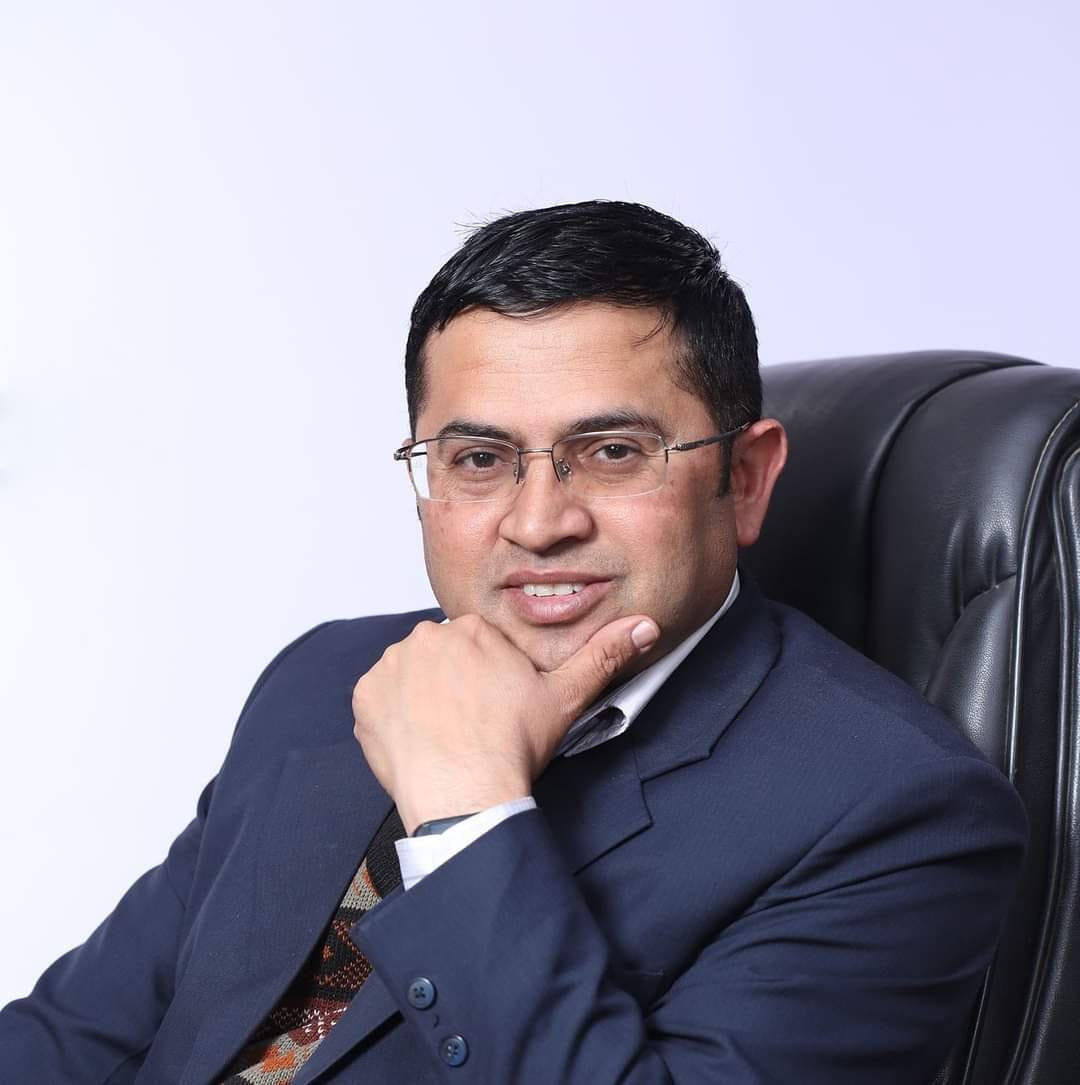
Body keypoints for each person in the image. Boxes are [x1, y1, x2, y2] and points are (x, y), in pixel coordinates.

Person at [0, 200, 1027, 1084]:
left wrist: (466, 812)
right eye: (480, 458)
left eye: (612, 451)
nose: (538, 523)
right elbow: (73, 1038)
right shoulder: (327, 676)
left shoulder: (898, 813)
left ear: (746, 479)